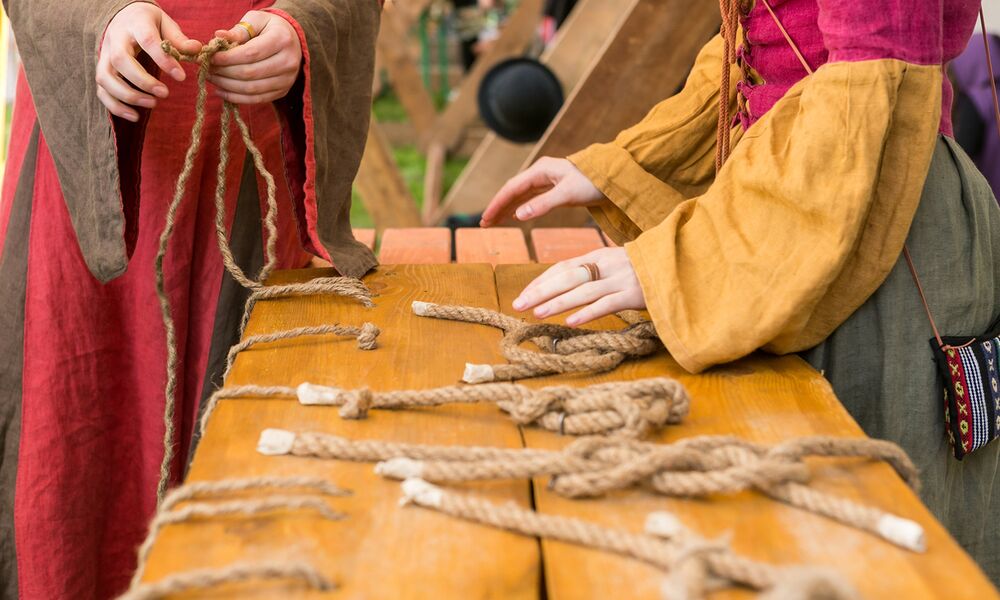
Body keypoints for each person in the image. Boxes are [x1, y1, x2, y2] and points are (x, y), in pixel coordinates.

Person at [483, 0, 1000, 580]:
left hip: (874, 220)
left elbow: (870, 78)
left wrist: (681, 261)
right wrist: (629, 164)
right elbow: (755, 42)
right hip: (788, 206)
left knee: (870, 537)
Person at [0, 1, 380, 598]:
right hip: (86, 155)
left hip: (256, 159)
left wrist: (303, 24)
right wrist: (100, 18)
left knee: (245, 453)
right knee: (72, 450)